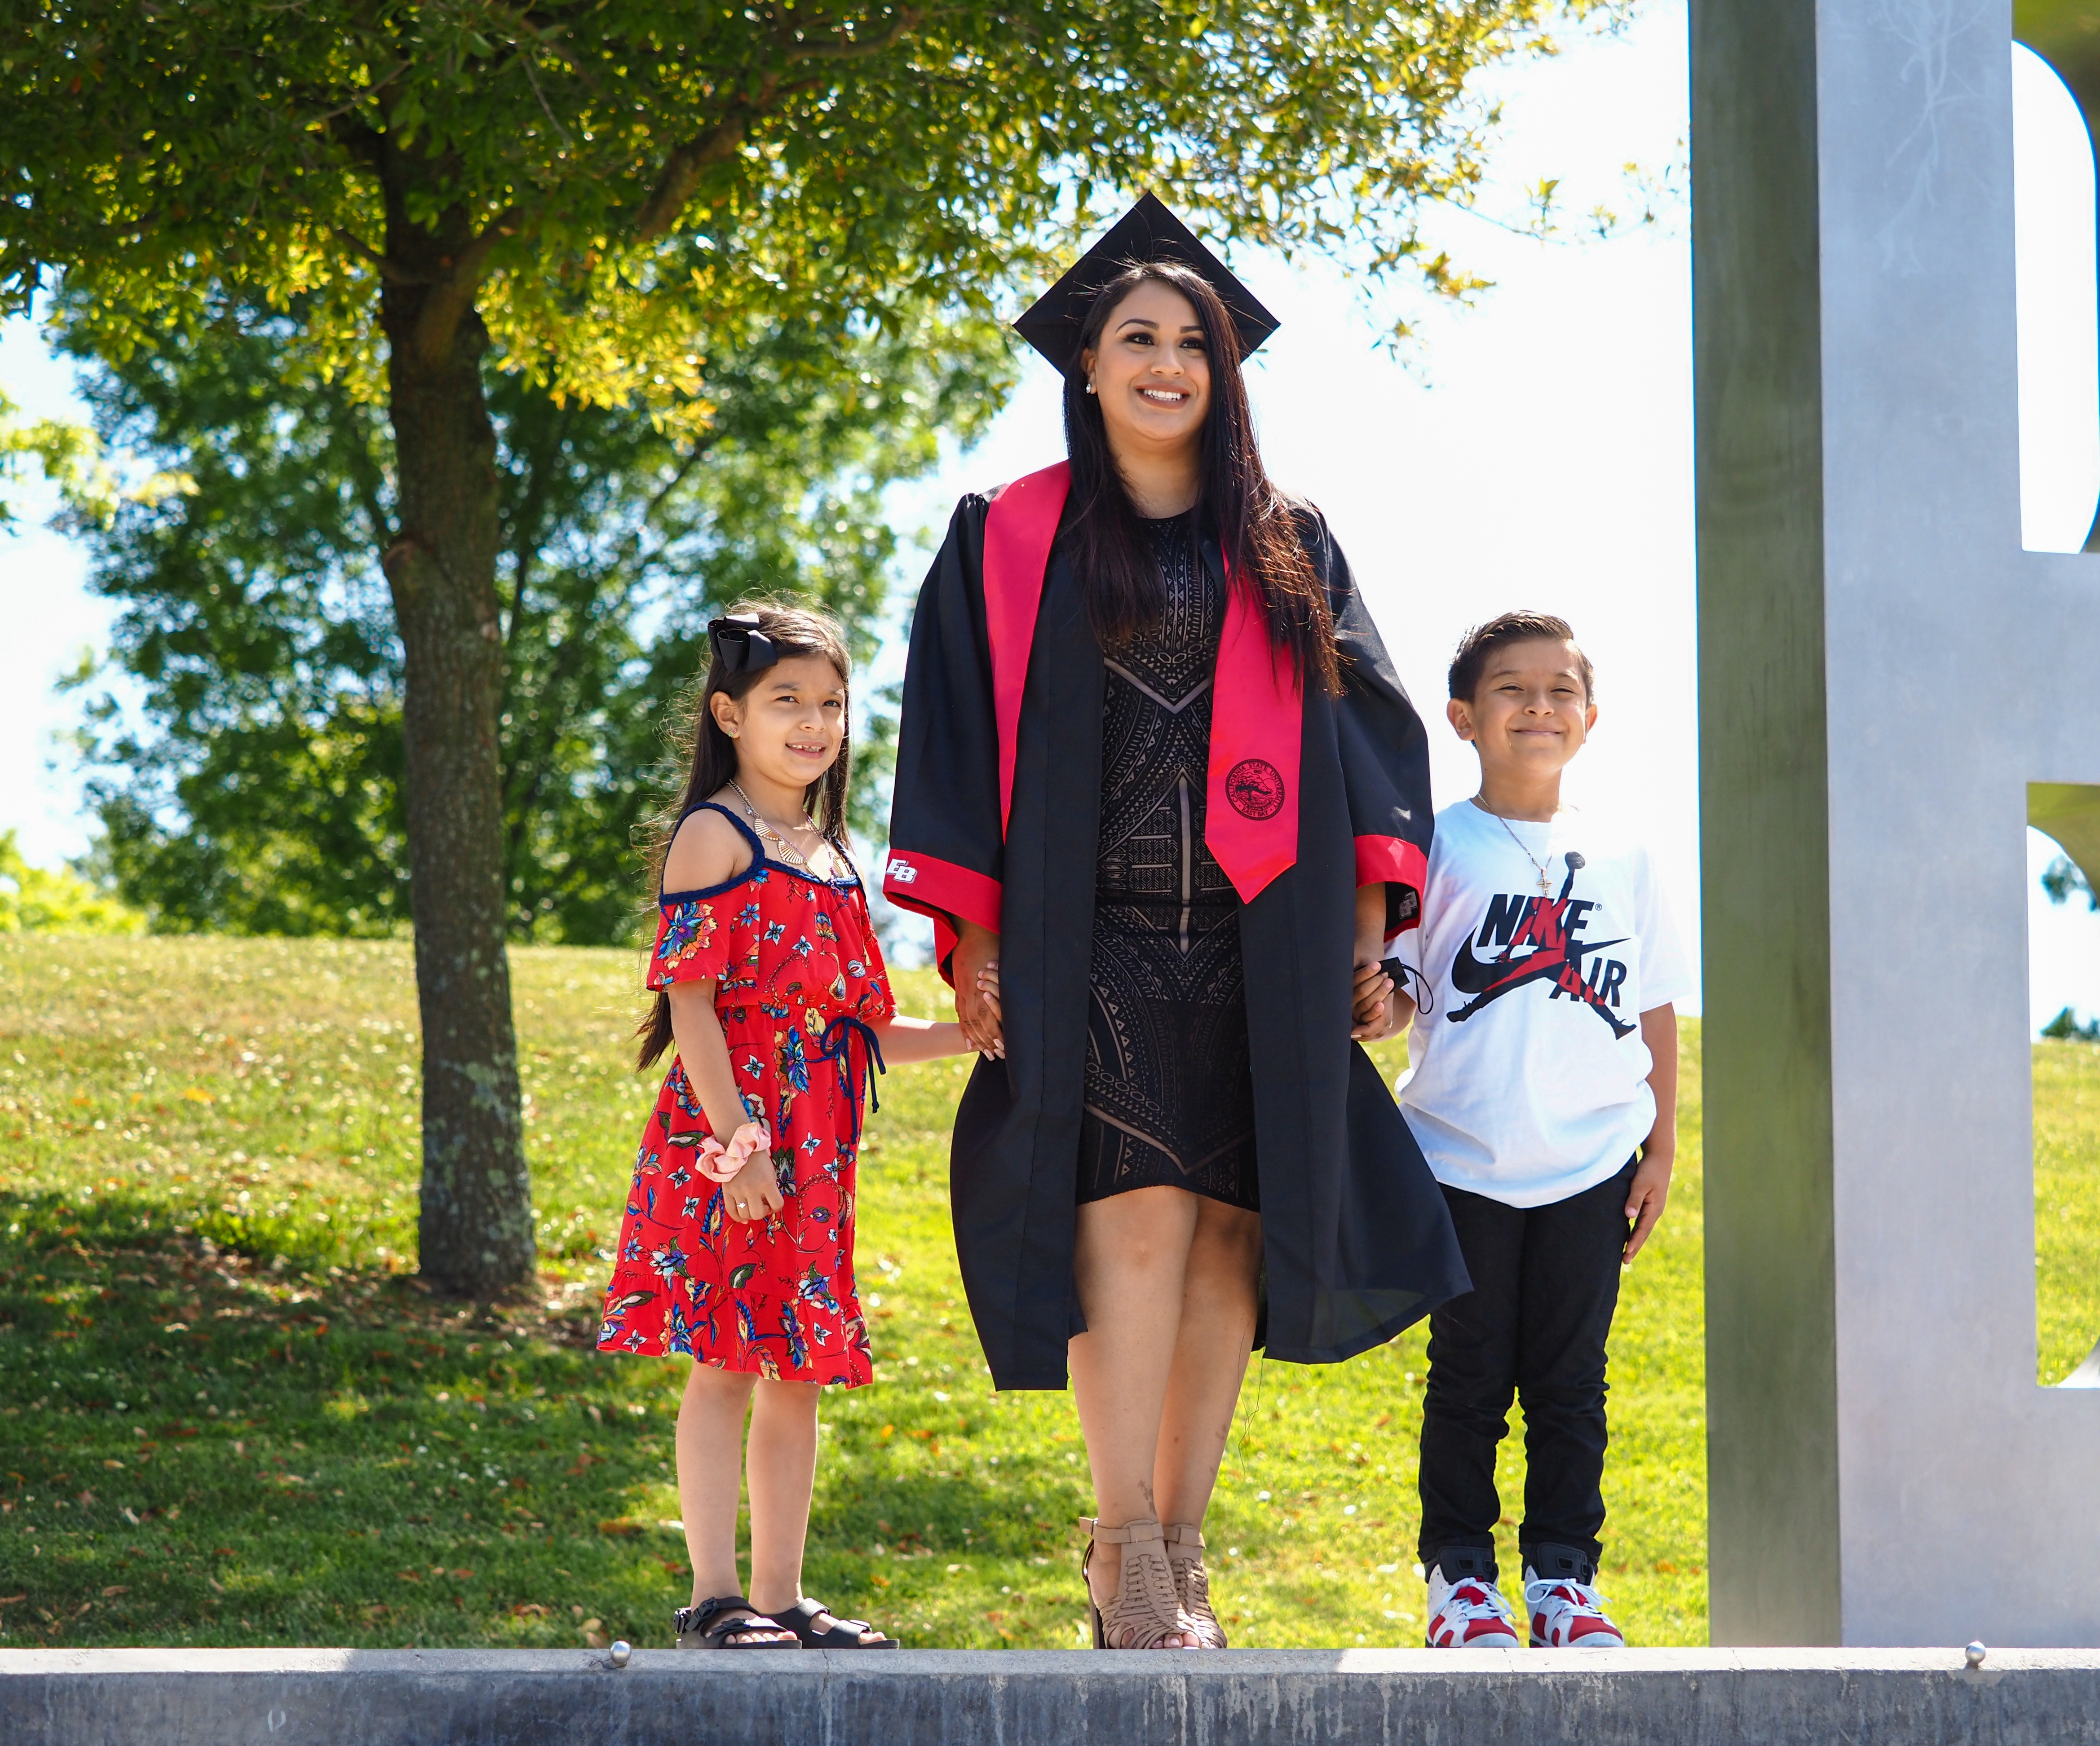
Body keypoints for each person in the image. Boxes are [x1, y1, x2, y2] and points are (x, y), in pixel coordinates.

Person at [886, 195, 1468, 1651]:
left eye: (1188, 345)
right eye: (1133, 338)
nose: (1162, 364)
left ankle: (1183, 1542)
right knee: (1128, 1224)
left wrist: (1366, 922)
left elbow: (1369, 736)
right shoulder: (1010, 536)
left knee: (1224, 1238)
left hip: (1255, 937)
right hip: (1088, 939)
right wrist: (974, 939)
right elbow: (953, 736)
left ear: (1222, 374)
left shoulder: (1284, 543)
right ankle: (1121, 1539)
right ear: (1085, 365)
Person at [596, 602, 977, 1653]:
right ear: (729, 714)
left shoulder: (833, 855)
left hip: (818, 1150)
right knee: (722, 1360)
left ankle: (781, 1597)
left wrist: (971, 1034)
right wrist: (742, 1147)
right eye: (785, 702)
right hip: (735, 1148)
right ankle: (714, 1596)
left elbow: (862, 1033)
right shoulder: (714, 834)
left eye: (830, 705)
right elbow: (693, 1005)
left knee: (797, 1370)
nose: (813, 723)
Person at [1365, 611, 1692, 1651]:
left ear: (1590, 719)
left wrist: (1666, 1144)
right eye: (1511, 689)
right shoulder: (1436, 842)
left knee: (1570, 1382)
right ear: (1463, 716)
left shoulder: (1627, 849)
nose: (1538, 706)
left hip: (1593, 1160)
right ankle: (1460, 1582)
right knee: (1468, 1378)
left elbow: (1654, 1005)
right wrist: (1375, 1001)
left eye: (1560, 690)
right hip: (1462, 1157)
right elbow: (1406, 989)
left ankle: (1564, 1582)